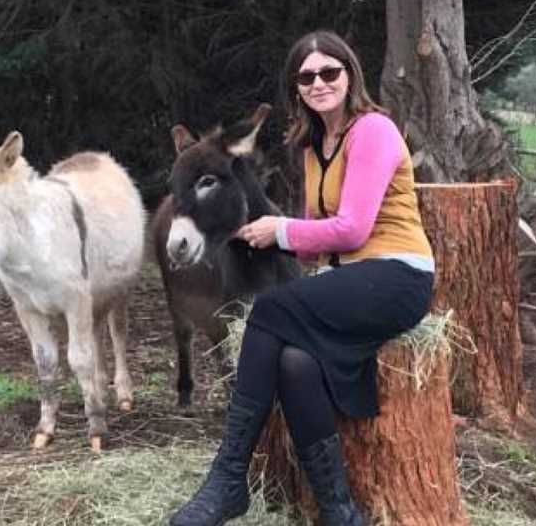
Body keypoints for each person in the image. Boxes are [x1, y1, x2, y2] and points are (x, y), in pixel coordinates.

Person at [168, 30, 435, 526]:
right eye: (306, 76)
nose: (319, 83)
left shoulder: (373, 130)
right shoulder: (315, 147)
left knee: (269, 309)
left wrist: (282, 230)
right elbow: (318, 237)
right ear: (296, 89)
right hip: (352, 282)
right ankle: (339, 512)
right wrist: (271, 236)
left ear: (349, 73)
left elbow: (352, 228)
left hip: (398, 276)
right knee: (294, 362)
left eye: (329, 72)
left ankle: (228, 479)